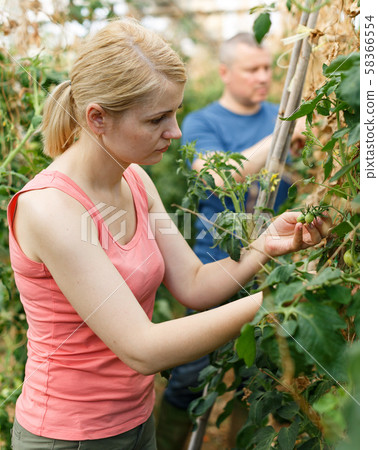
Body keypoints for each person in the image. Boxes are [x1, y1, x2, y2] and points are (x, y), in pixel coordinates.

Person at [8, 19, 329, 450]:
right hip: (70, 435)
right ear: (97, 118)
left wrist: (265, 244)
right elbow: (143, 348)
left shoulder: (136, 180)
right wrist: (281, 299)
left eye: (175, 113)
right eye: (158, 118)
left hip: (138, 421)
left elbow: (194, 285)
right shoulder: (51, 208)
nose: (175, 132)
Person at [156, 32, 306, 449]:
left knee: (255, 379)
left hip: (272, 268)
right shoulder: (201, 122)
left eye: (267, 68)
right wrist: (284, 130)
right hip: (211, 269)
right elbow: (217, 179)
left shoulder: (281, 113)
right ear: (224, 72)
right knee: (188, 376)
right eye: (252, 69)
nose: (263, 77)